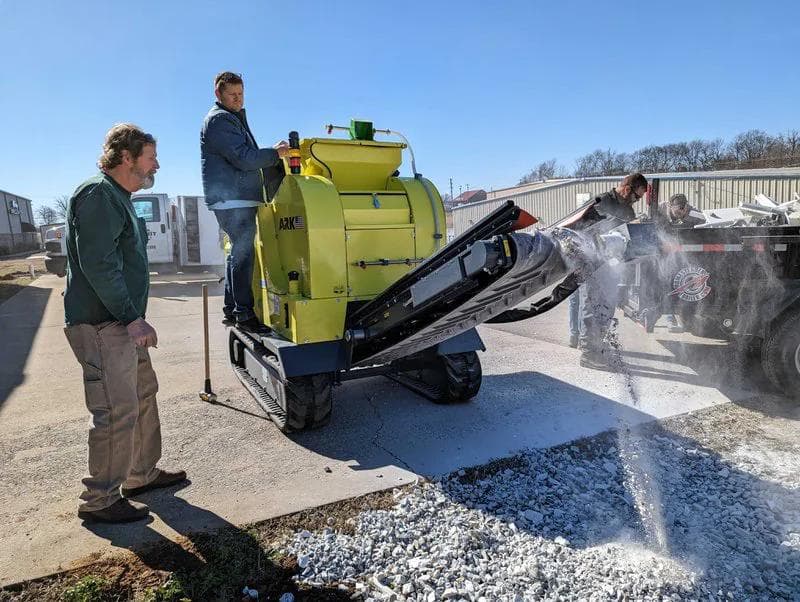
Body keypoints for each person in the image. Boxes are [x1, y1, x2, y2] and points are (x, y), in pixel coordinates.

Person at [64, 124, 186, 524]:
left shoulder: (120, 198)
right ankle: (100, 499)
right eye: (151, 157)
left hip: (122, 322)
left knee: (142, 395)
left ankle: (140, 475)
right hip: (105, 325)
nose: (157, 165)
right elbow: (99, 263)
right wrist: (131, 317)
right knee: (116, 411)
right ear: (127, 156)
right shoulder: (99, 195)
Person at [200, 71, 289, 333]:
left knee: (237, 253)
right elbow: (245, 159)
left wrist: (270, 152)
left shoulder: (230, 119)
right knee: (243, 254)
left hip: (234, 197)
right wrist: (275, 154)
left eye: (241, 94)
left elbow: (246, 155)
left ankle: (232, 307)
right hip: (232, 199)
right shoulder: (220, 121)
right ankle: (244, 314)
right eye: (232, 95)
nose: (238, 100)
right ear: (218, 94)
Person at [577, 173, 649, 370]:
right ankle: (589, 353)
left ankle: (593, 345)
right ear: (627, 189)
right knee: (593, 304)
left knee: (605, 306)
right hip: (593, 262)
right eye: (637, 197)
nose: (637, 201)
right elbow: (585, 232)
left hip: (610, 265)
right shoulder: (601, 203)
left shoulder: (628, 211)